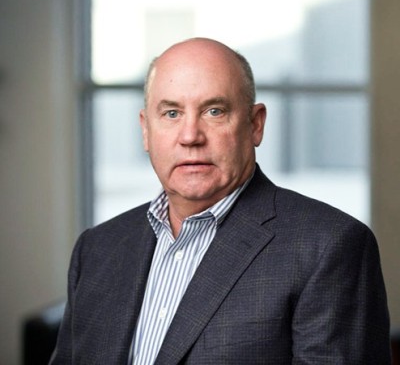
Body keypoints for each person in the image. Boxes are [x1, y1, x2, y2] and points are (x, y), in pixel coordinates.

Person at [50, 38, 391, 364]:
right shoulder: (97, 249)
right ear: (145, 130)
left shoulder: (328, 246)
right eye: (171, 114)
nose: (190, 136)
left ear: (255, 125)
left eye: (214, 111)